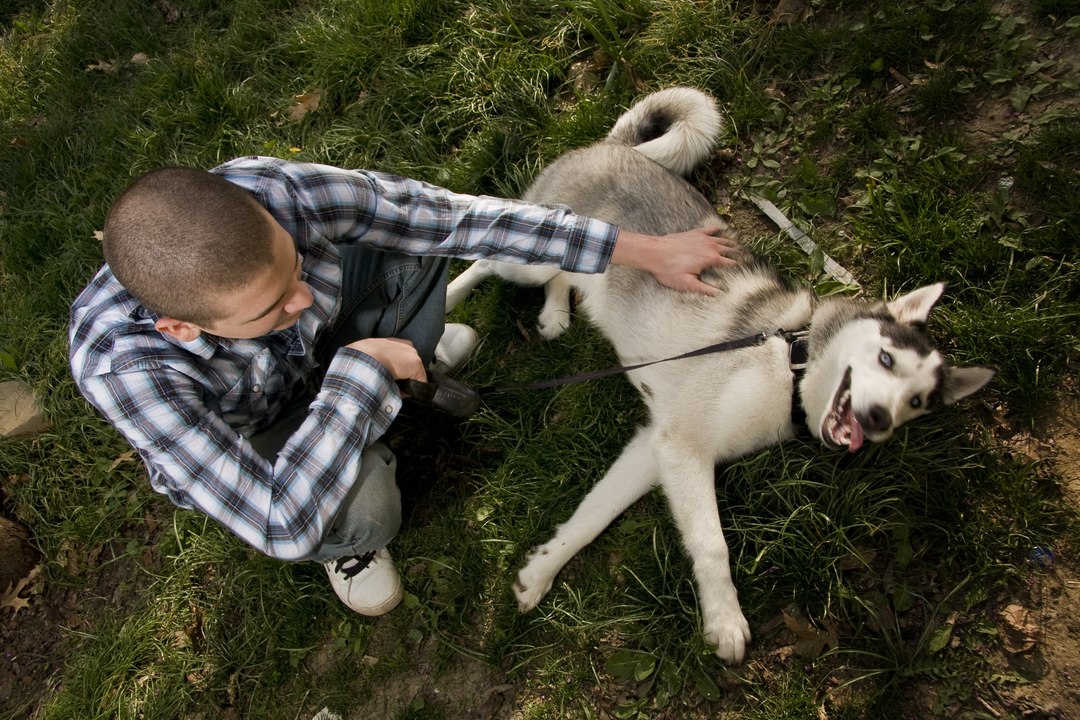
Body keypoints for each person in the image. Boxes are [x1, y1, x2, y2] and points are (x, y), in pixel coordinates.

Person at [68, 156, 738, 616]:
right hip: (265, 440)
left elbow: (457, 218)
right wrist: (359, 372)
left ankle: (404, 357)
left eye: (295, 267)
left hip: (320, 365)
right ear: (183, 328)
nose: (303, 297)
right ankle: (355, 540)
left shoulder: (275, 191)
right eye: (270, 308)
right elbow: (279, 521)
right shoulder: (126, 370)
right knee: (361, 508)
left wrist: (644, 250)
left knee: (414, 239)